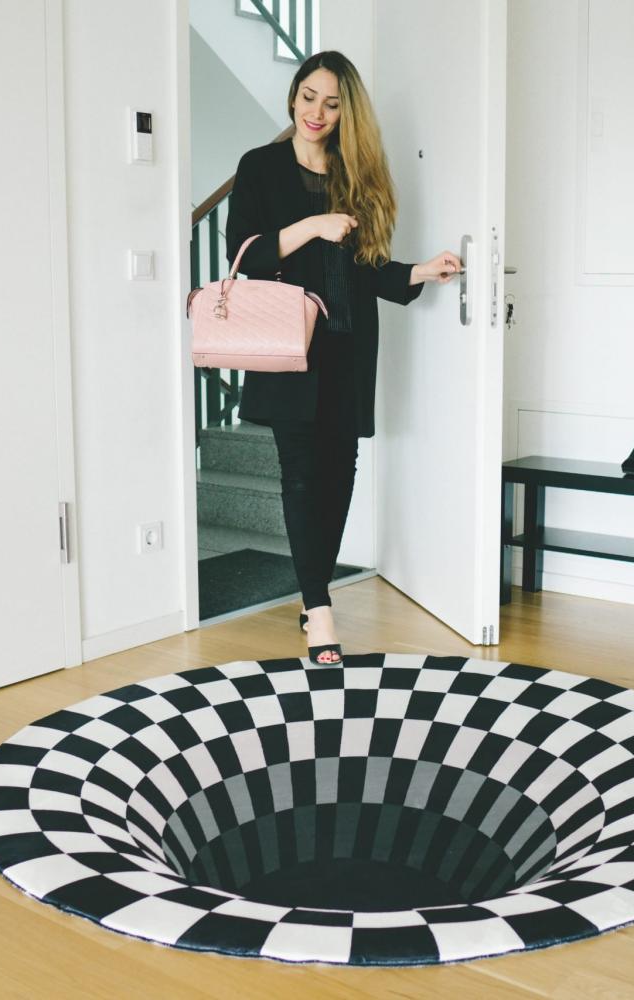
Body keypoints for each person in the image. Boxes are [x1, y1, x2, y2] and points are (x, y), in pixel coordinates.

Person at [225, 51, 460, 666]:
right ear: (293, 98)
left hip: (348, 347)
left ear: (346, 109)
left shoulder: (361, 173)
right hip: (287, 348)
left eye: (331, 102)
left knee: (342, 472)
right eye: (308, 97)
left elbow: (367, 269)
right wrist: (313, 225)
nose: (316, 112)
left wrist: (420, 271)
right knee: (302, 475)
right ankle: (321, 610)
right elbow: (247, 258)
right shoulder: (260, 167)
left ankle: (312, 593)